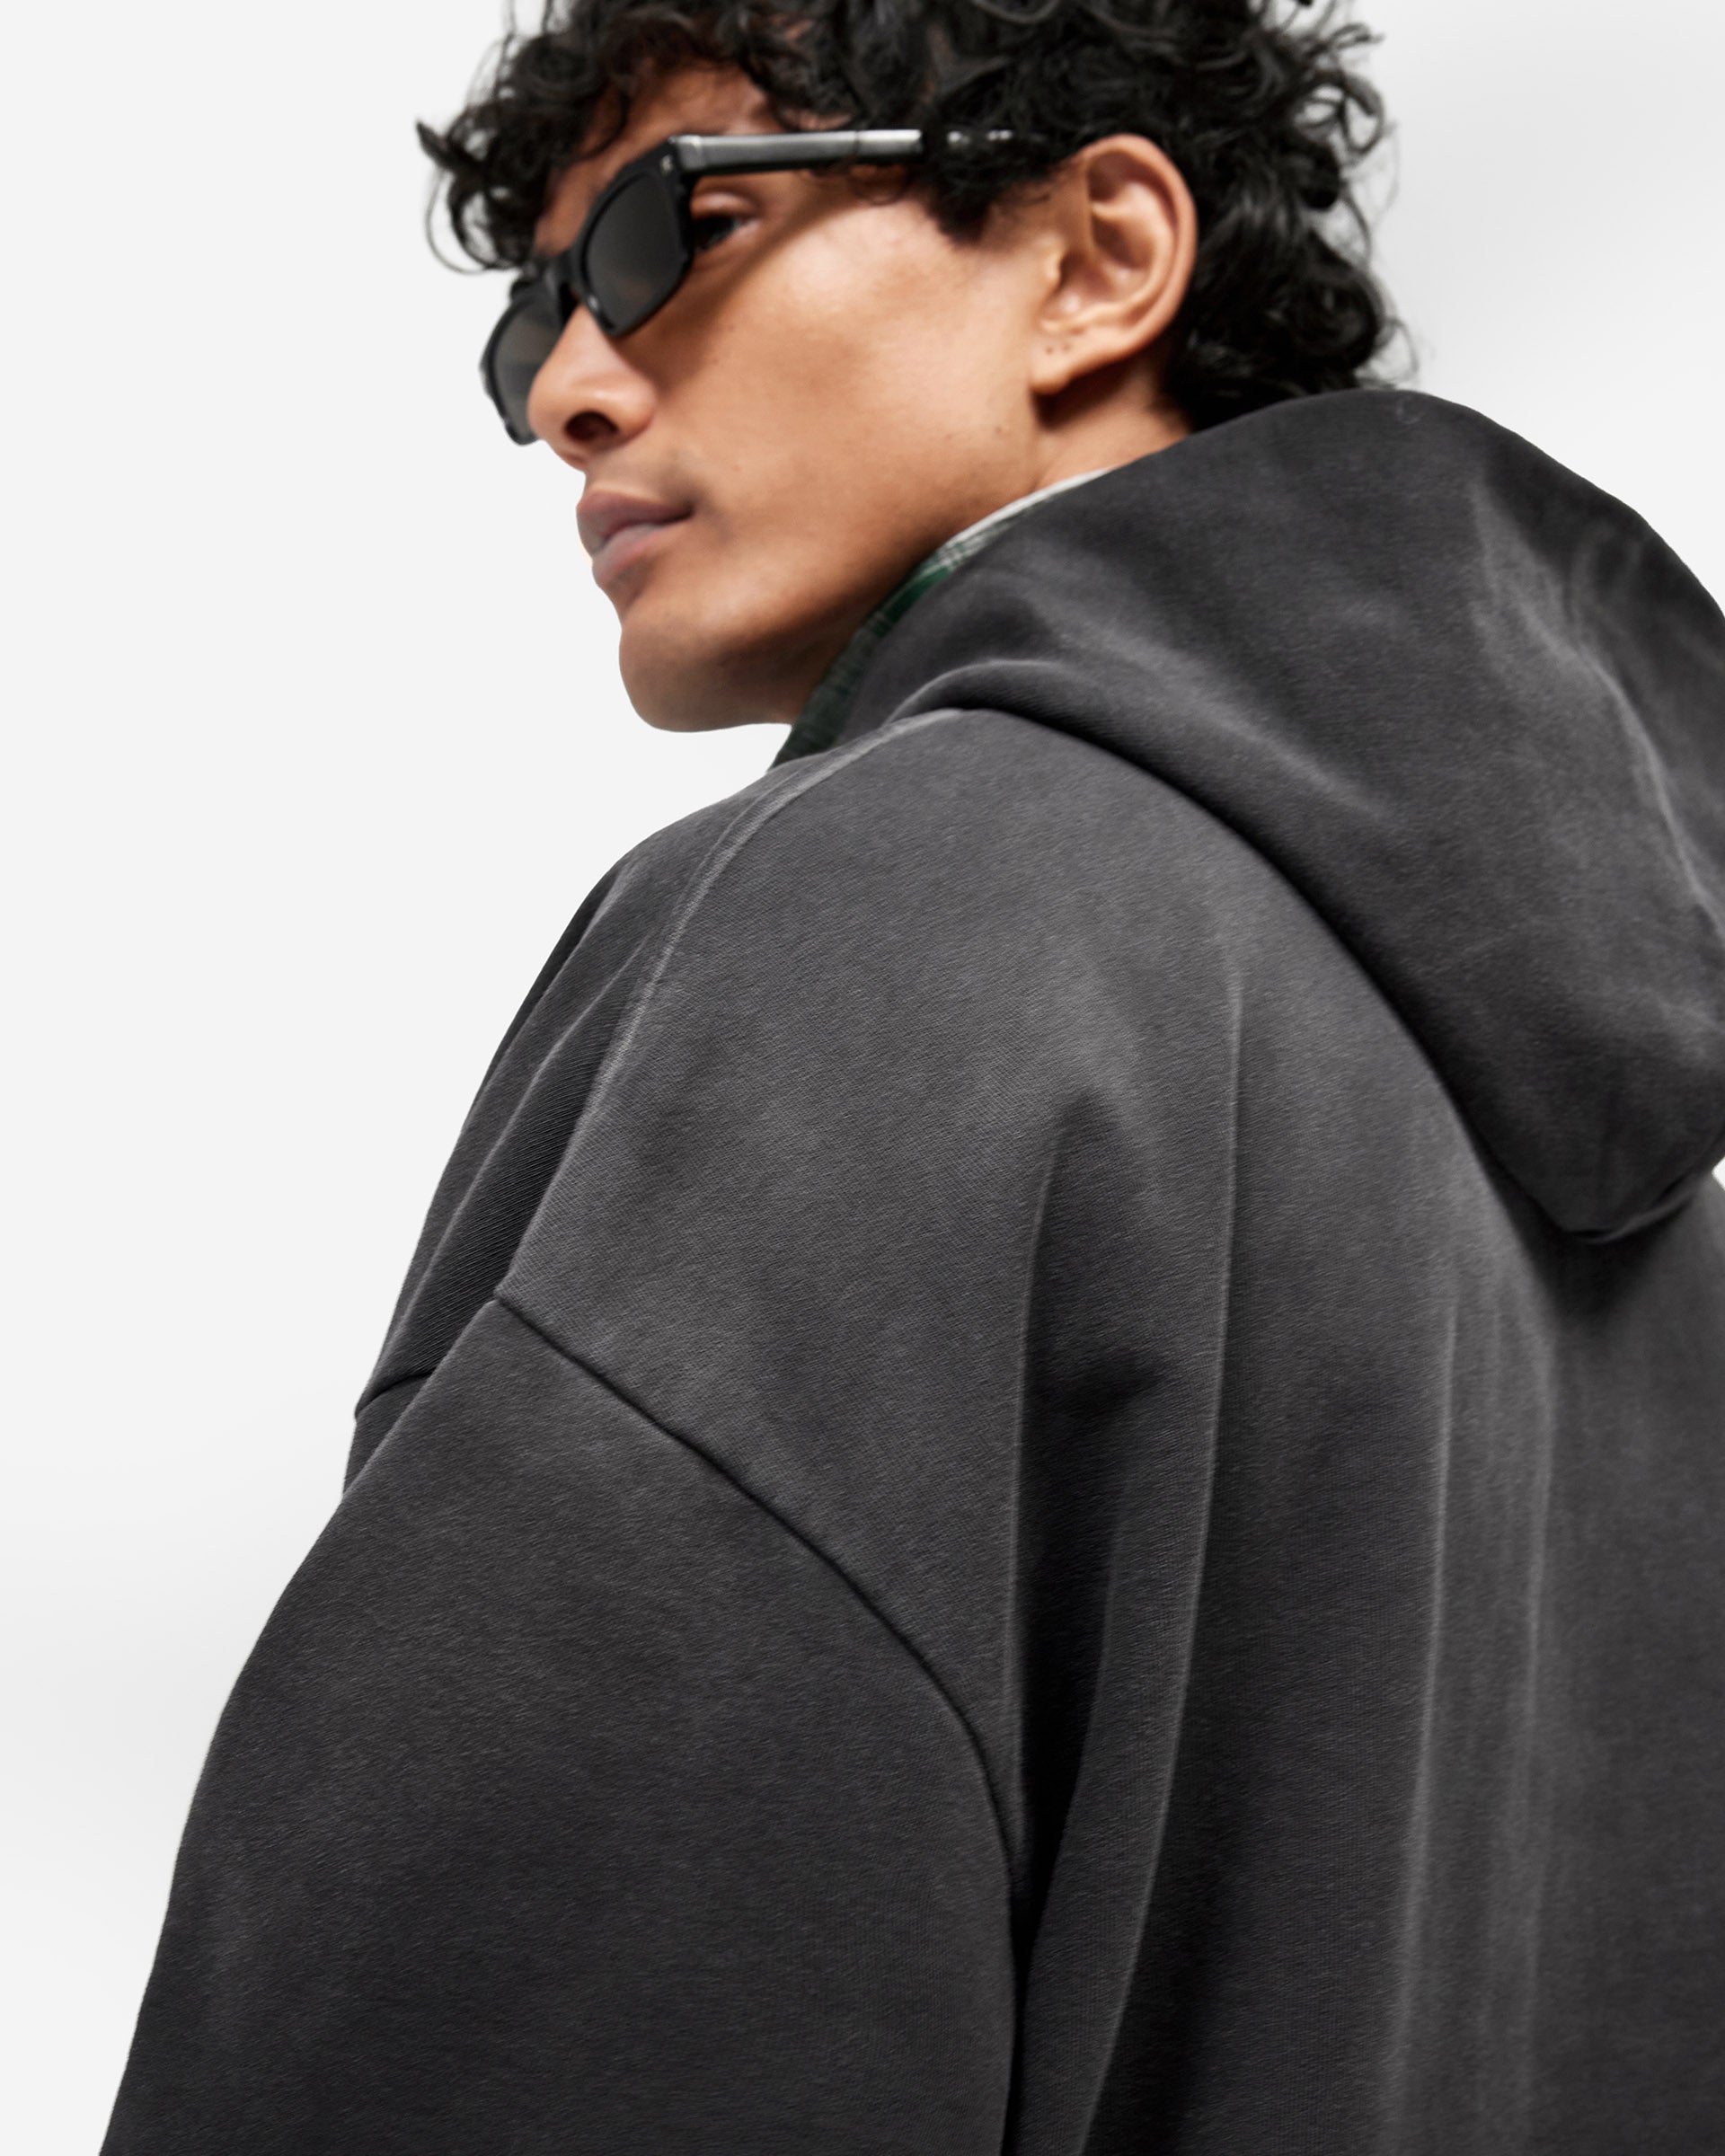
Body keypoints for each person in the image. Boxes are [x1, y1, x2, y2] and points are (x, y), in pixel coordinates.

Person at [102, 1, 1725, 2150]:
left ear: (1094, 258)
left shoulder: (877, 932)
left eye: (665, 239)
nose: (568, 392)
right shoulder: (1639, 1213)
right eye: (530, 330)